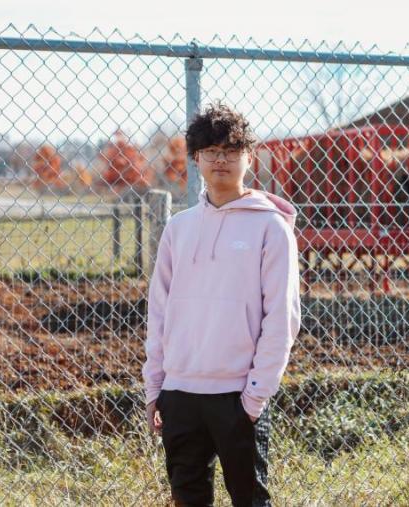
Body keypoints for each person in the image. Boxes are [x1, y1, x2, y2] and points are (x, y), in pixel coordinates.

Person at [143, 102, 301, 506]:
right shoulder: (178, 229)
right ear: (196, 159)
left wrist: (254, 398)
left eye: (231, 151)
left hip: (237, 396)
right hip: (179, 394)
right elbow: (158, 313)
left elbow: (281, 320)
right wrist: (156, 388)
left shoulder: (270, 228)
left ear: (248, 157)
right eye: (211, 151)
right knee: (188, 498)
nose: (221, 160)